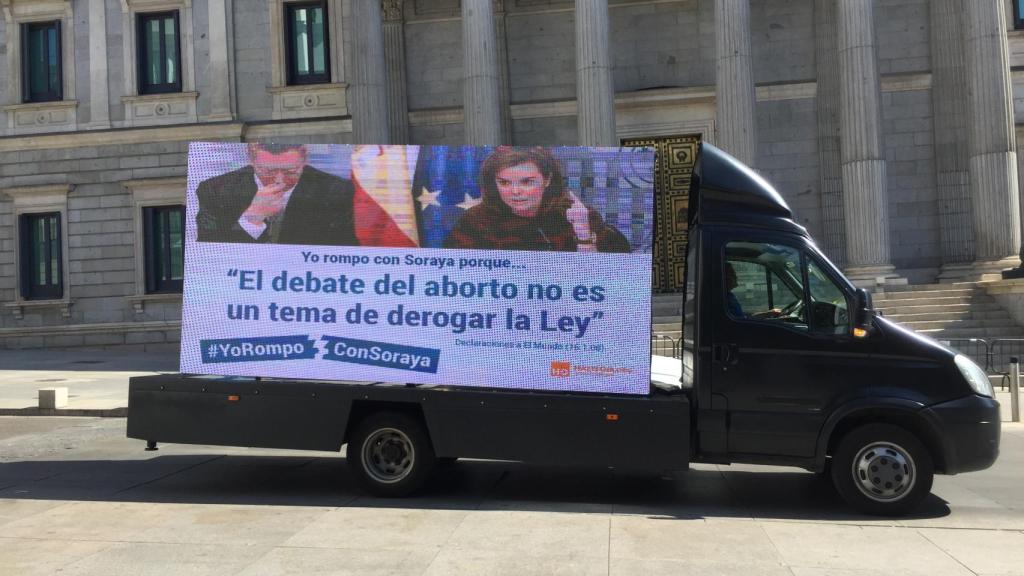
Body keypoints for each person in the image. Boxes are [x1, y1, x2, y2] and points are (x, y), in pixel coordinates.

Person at [443, 146, 631, 253]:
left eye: (527, 182)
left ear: (547, 180)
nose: (515, 191)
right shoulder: (475, 221)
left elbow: (610, 280)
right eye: (505, 183)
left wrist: (583, 235)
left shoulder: (580, 216)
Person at [195, 143, 358, 245]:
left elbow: (344, 252)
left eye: (291, 172)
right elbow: (208, 254)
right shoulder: (214, 190)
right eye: (267, 171)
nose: (279, 180)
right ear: (251, 159)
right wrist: (251, 219)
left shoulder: (338, 191)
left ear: (304, 159)